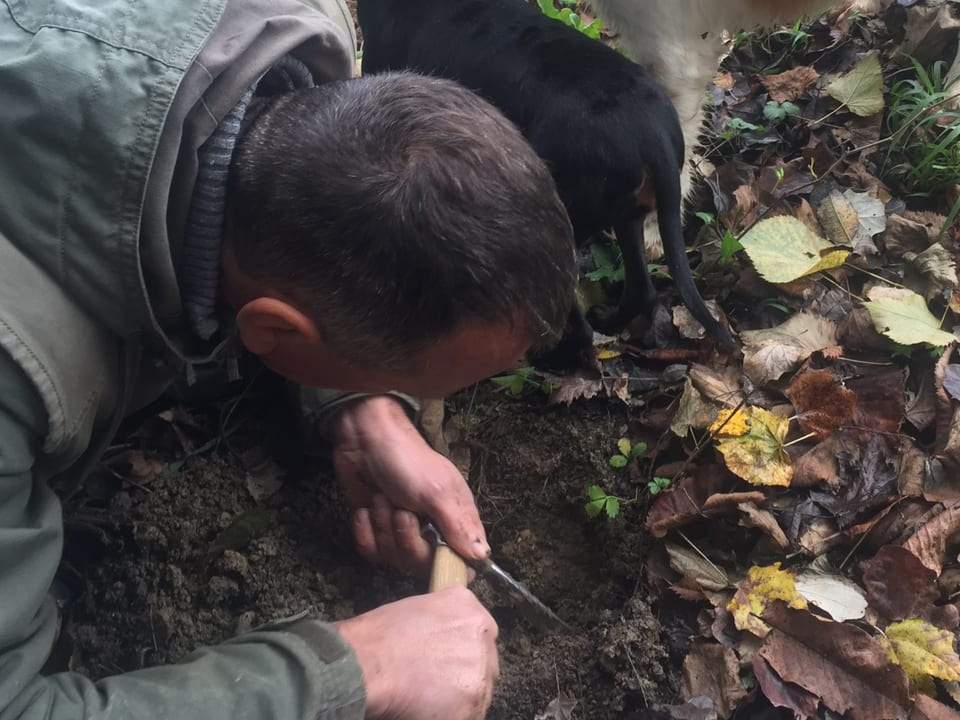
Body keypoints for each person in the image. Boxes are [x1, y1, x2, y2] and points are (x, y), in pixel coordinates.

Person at [0, 1, 577, 719]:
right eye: (401, 380)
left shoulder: (300, 29)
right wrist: (357, 671)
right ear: (272, 332)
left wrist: (362, 405)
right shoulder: (14, 359)